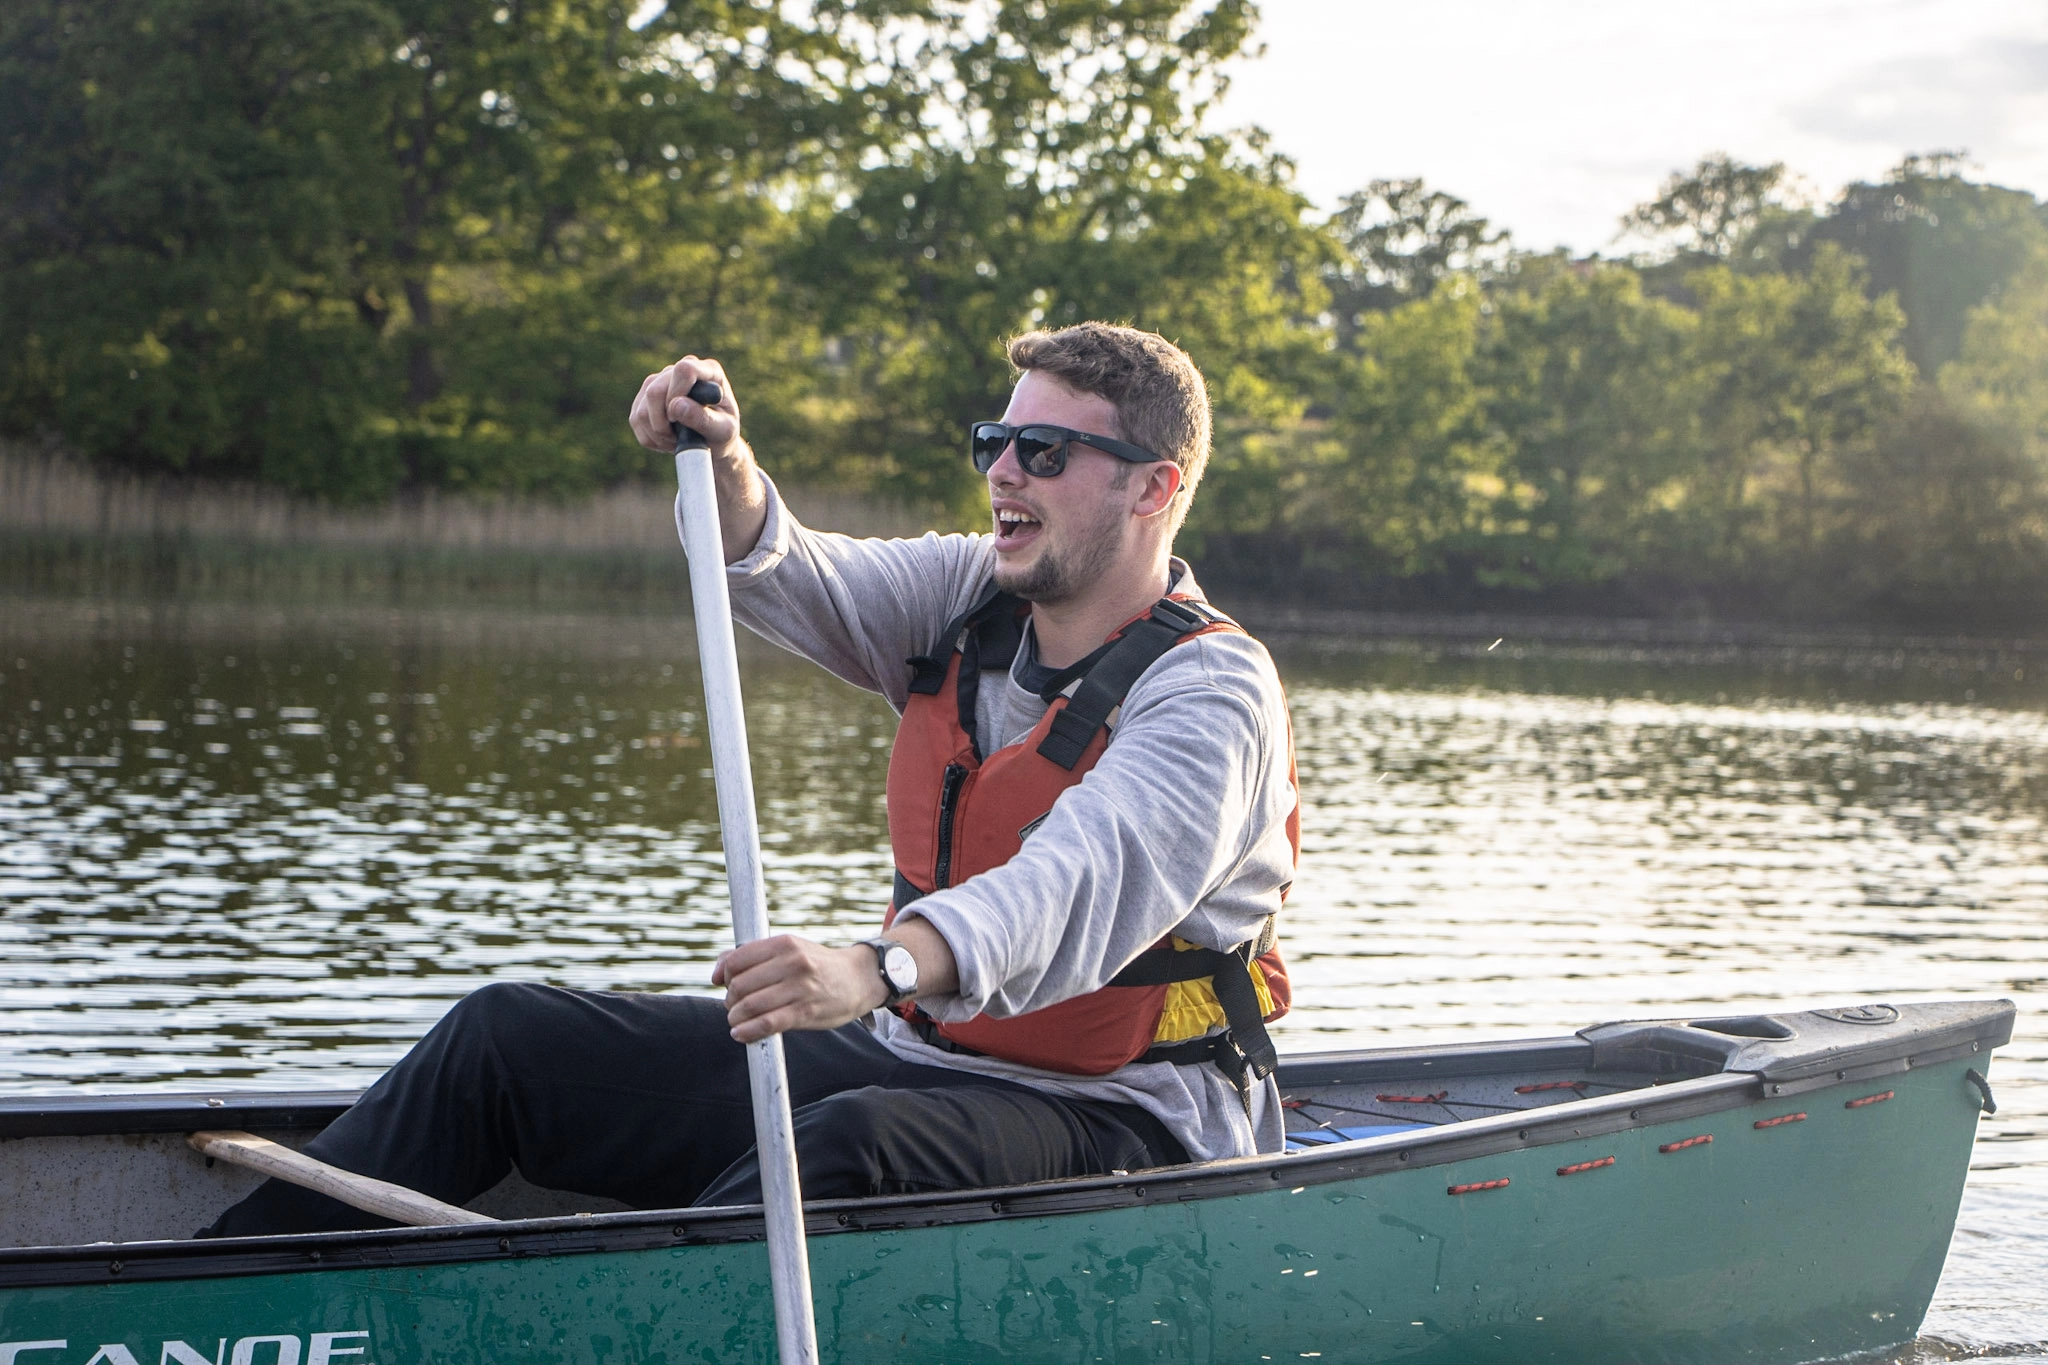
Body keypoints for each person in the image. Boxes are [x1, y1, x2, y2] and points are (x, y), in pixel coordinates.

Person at [201, 322, 1298, 1237]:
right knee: (508, 1038)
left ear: (1153, 488)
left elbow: (1071, 885)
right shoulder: (968, 597)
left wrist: (876, 965)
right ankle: (214, 1298)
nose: (1002, 471)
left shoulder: (1211, 694)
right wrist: (721, 460)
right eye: (995, 441)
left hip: (1130, 1116)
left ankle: (602, 1313)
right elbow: (780, 565)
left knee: (843, 1146)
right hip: (920, 1052)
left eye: (1044, 451)